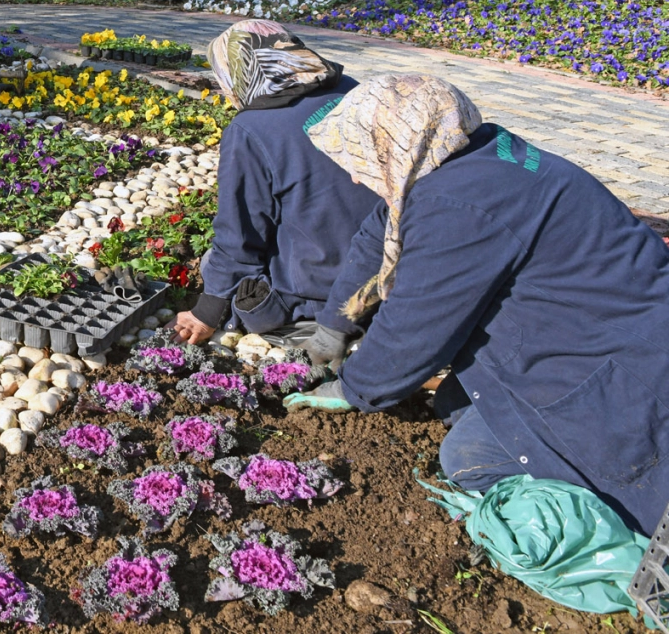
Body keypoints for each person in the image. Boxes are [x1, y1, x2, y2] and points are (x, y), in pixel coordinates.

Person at [283, 75, 669, 534]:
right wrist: (334, 325)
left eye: (360, 155)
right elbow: (376, 238)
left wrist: (355, 389)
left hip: (616, 373)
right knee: (456, 403)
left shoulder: (460, 205)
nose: (352, 174)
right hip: (600, 326)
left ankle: (610, 535)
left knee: (468, 462)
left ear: (396, 142)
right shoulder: (469, 153)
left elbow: (417, 326)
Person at [170, 20, 382, 361]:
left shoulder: (252, 130)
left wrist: (207, 312)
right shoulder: (351, 90)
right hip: (392, 271)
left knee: (216, 267)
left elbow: (240, 235)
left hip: (323, 293)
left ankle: (322, 333)